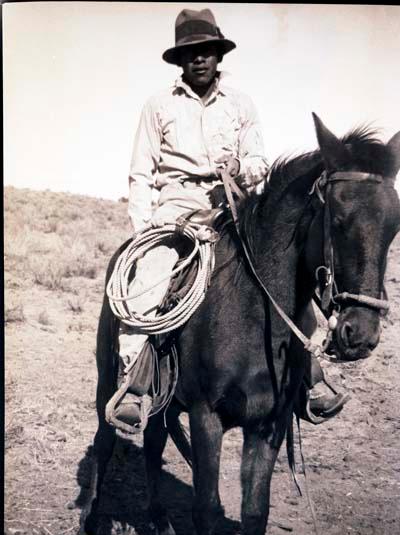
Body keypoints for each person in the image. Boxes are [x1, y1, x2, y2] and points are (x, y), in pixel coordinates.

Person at [106, 7, 347, 431]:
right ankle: (135, 383)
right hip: (175, 210)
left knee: (285, 273)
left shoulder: (241, 104)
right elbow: (141, 172)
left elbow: (258, 160)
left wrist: (241, 165)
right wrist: (145, 231)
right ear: (180, 60)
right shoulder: (158, 105)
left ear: (219, 55)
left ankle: (312, 375)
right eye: (190, 53)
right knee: (150, 278)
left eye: (207, 51)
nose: (199, 59)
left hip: (232, 208)